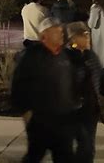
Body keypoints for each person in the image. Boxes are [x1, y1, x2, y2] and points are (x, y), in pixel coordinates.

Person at [11, 17, 76, 162]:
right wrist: (26, 112)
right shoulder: (31, 56)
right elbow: (18, 85)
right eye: (56, 32)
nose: (61, 35)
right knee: (34, 155)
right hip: (40, 121)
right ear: (43, 36)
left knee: (65, 156)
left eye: (61, 31)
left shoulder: (64, 55)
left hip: (63, 120)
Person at [65, 21, 104, 163]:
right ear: (73, 38)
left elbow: (103, 85)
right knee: (74, 149)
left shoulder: (91, 56)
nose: (88, 38)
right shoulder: (65, 58)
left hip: (90, 112)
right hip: (71, 112)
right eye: (84, 35)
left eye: (88, 34)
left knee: (87, 149)